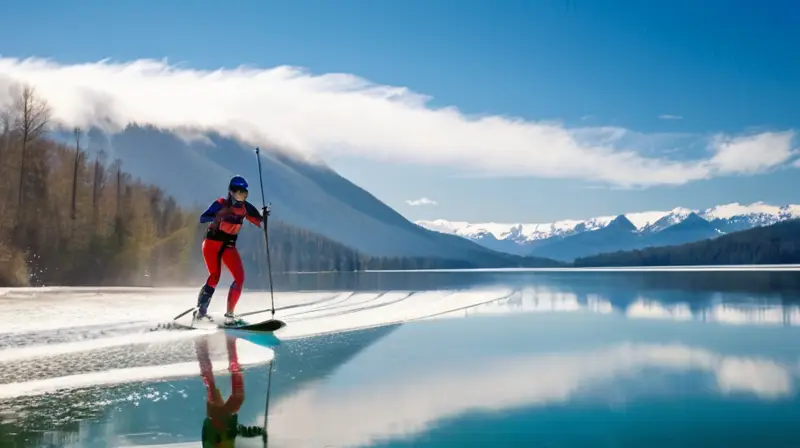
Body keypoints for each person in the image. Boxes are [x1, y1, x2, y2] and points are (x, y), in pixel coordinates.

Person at [195, 175, 269, 326]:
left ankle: (229, 316)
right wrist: (219, 214)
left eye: (244, 193)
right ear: (231, 192)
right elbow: (203, 218)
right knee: (215, 276)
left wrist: (264, 215)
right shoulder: (221, 203)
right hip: (212, 243)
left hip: (229, 246)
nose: (241, 196)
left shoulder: (245, 207)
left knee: (240, 277)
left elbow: (258, 220)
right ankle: (201, 313)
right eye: (238, 193)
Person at [195, 333, 265, 447]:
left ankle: (230, 361)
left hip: (217, 420)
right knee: (213, 386)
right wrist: (257, 432)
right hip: (218, 419)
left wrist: (223, 430)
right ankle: (204, 348)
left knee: (236, 397)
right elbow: (240, 432)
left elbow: (211, 438)